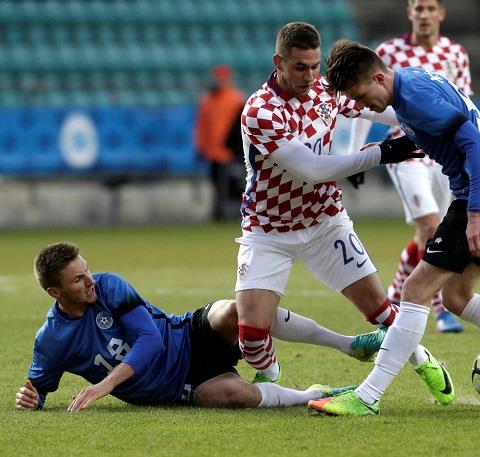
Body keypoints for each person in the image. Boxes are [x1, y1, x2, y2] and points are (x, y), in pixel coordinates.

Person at [309, 40, 480, 415]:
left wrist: (476, 213)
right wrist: (380, 145)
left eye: (362, 96)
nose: (362, 104)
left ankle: (367, 397)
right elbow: (431, 131)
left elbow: (474, 144)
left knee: (415, 290)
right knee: (456, 297)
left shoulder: (414, 98)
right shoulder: (409, 84)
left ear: (378, 77)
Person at [235, 21, 455, 406]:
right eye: (300, 67)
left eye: (314, 66)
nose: (309, 76)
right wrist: (380, 154)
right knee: (251, 336)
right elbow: (311, 169)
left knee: (381, 311)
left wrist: (425, 120)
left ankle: (422, 359)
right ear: (278, 62)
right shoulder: (261, 111)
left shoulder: (324, 90)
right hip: (268, 229)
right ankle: (273, 373)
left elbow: (378, 110)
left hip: (326, 222)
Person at [15, 241, 387, 412]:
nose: (90, 281)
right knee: (234, 396)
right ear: (54, 292)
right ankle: (313, 394)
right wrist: (31, 399)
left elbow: (150, 340)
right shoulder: (52, 340)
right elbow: (37, 389)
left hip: (184, 335)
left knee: (235, 310)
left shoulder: (108, 286)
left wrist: (106, 384)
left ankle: (347, 344)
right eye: (78, 279)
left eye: (87, 270)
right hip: (179, 386)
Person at [348, 0, 470, 333]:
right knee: (430, 227)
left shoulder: (456, 54)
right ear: (409, 13)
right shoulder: (388, 51)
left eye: (430, 8)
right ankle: (440, 306)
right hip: (406, 151)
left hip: (443, 155)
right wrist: (354, 154)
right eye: (418, 8)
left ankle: (395, 293)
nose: (424, 15)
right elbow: (363, 103)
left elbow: (463, 102)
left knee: (433, 232)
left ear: (441, 13)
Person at [194, 64, 246, 220]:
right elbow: (202, 125)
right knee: (217, 184)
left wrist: (236, 148)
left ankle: (232, 212)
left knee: (233, 184)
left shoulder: (236, 99)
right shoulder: (208, 100)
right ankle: (221, 211)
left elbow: (240, 127)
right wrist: (201, 146)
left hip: (230, 152)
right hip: (213, 152)